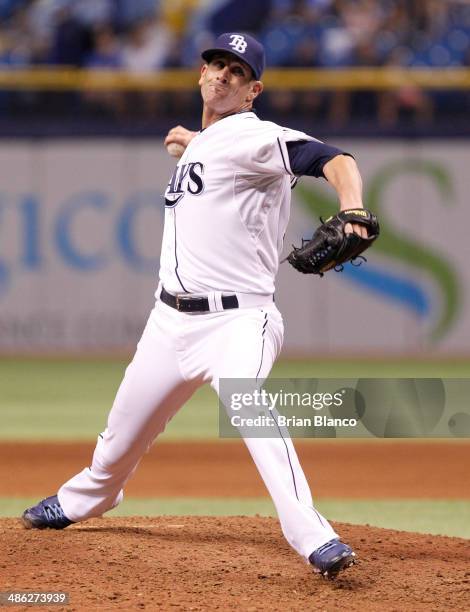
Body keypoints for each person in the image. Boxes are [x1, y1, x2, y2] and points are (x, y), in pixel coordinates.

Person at [22, 32, 367, 579]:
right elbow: (218, 165)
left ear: (253, 90)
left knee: (247, 403)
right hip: (168, 323)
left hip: (238, 319)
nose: (223, 73)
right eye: (216, 63)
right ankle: (87, 499)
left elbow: (333, 158)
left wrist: (353, 209)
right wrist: (194, 142)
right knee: (117, 439)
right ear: (200, 75)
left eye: (237, 70)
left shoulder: (256, 136)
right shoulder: (208, 142)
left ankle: (314, 536)